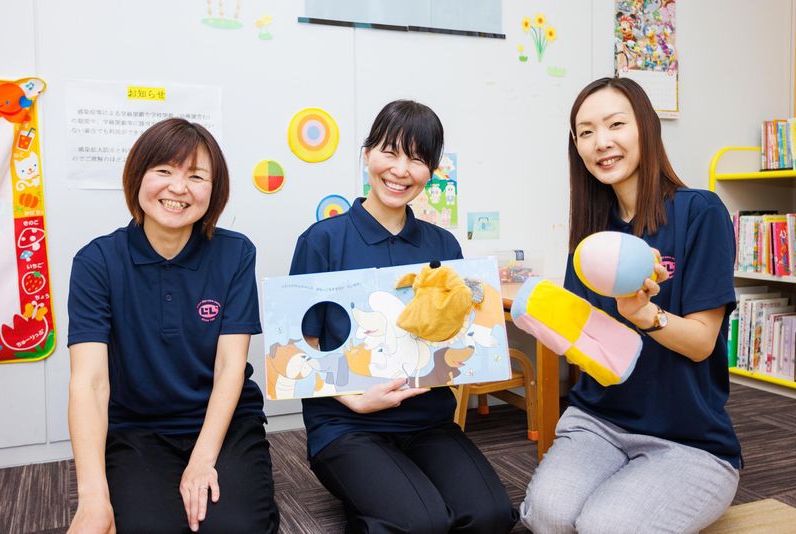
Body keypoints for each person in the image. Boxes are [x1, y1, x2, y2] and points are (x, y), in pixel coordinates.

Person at [520, 77, 741, 533]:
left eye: (615, 124)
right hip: (597, 422)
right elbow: (586, 339)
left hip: (689, 440)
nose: (601, 142)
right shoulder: (591, 231)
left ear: (646, 127)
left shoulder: (700, 212)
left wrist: (645, 316)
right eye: (585, 132)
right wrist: (549, 318)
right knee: (548, 517)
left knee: (605, 526)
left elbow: (702, 343)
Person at [289, 100, 518, 533]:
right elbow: (301, 346)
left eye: (416, 158)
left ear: (431, 171)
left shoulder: (443, 245)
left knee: (490, 517)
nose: (400, 170)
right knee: (422, 523)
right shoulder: (322, 241)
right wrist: (354, 400)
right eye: (389, 152)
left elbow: (458, 337)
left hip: (427, 421)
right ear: (367, 155)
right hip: (347, 424)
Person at [67, 118, 279, 533]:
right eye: (163, 170)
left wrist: (202, 460)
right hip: (137, 429)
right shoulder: (96, 262)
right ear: (137, 176)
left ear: (214, 190)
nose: (178, 188)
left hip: (225, 422)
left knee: (236, 528)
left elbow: (230, 367)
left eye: (196, 176)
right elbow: (89, 383)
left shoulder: (235, 254)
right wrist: (92, 499)